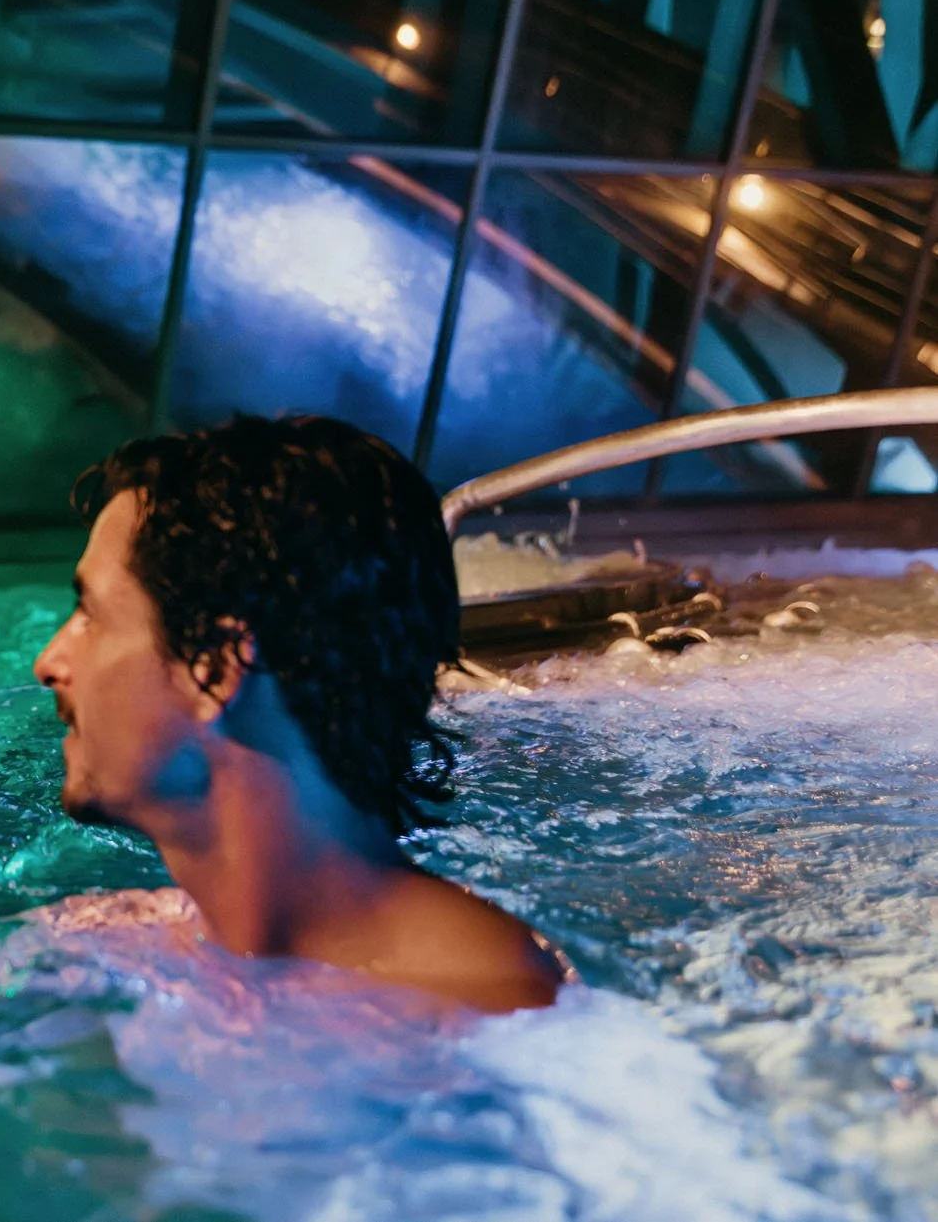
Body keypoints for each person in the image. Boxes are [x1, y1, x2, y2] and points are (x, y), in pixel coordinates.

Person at [32, 414, 567, 1012]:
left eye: (91, 615)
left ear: (214, 669)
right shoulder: (103, 942)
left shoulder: (489, 1011)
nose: (49, 661)